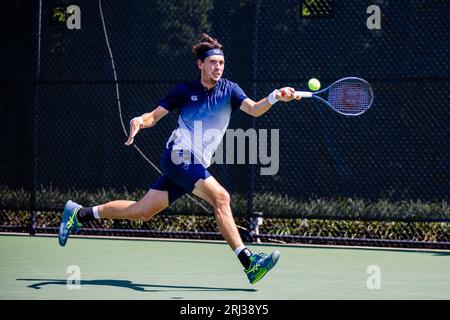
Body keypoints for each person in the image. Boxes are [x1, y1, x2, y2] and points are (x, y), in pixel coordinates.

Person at [59, 33, 301, 284]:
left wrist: (275, 97)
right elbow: (152, 117)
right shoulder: (184, 91)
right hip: (178, 156)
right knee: (221, 197)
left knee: (142, 211)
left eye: (221, 63)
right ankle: (249, 263)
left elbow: (254, 109)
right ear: (200, 64)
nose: (217, 67)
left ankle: (80, 214)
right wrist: (139, 121)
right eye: (212, 63)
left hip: (194, 163)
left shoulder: (230, 90)